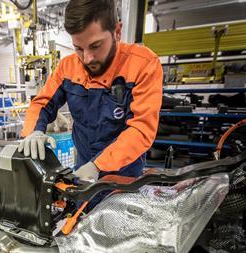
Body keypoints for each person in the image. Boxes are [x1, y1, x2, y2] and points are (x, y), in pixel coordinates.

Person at [18, 0, 163, 184]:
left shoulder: (143, 64)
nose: (86, 59)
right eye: (78, 48)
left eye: (95, 46)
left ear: (117, 32)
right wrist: (33, 131)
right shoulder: (68, 67)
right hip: (83, 168)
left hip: (124, 174)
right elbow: (42, 103)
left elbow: (141, 129)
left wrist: (98, 165)